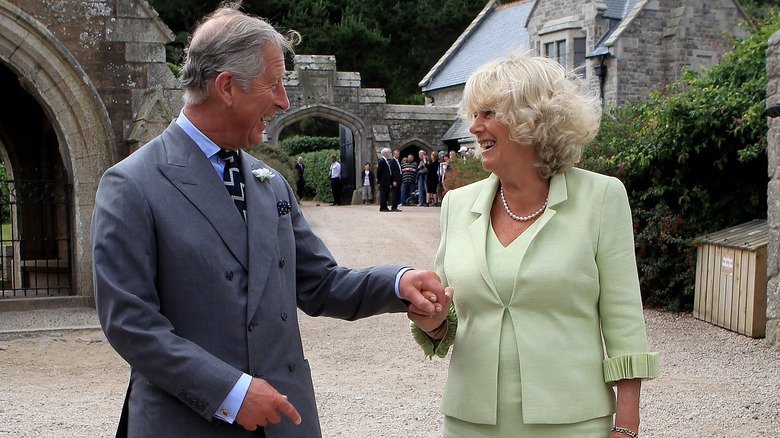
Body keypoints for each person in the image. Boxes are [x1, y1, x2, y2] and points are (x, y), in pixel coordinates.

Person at [90, 5, 447, 437]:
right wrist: (231, 392)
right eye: (274, 83)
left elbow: (319, 284)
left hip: (284, 423)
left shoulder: (269, 183)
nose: (284, 101)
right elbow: (131, 323)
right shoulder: (131, 184)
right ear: (227, 87)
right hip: (186, 424)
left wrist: (397, 283)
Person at [408, 52, 659, 438]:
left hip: (573, 423)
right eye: (474, 113)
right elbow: (449, 316)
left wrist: (626, 426)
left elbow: (624, 321)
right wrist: (434, 321)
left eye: (488, 112)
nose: (473, 127)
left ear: (532, 119)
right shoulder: (457, 205)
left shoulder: (602, 197)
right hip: (470, 423)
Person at [376, 148, 393, 212]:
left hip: (387, 181)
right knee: (383, 194)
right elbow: (379, 171)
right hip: (383, 181)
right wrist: (379, 181)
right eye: (388, 152)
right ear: (385, 153)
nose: (389, 154)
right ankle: (382, 207)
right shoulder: (381, 161)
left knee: (386, 194)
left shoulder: (386, 161)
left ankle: (385, 206)